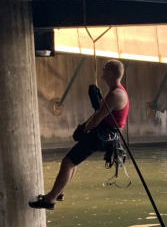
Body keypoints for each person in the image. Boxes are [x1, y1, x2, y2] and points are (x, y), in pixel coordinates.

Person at [29, 58, 129, 209]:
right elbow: (99, 115)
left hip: (102, 135)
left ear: (109, 73)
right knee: (72, 163)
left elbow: (97, 118)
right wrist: (83, 126)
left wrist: (83, 130)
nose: (101, 71)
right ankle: (58, 192)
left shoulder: (115, 95)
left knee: (67, 163)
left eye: (103, 69)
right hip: (103, 133)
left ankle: (50, 200)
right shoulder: (115, 92)